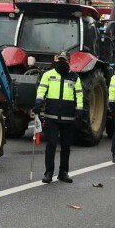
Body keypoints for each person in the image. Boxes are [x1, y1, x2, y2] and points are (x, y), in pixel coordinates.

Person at [33, 51, 84, 183]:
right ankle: (48, 173)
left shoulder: (75, 77)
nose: (62, 62)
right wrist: (38, 102)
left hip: (68, 118)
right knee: (51, 145)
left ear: (69, 62)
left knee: (66, 147)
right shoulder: (48, 75)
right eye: (60, 59)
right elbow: (41, 90)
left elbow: (79, 95)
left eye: (64, 60)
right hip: (51, 117)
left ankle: (63, 173)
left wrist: (79, 112)